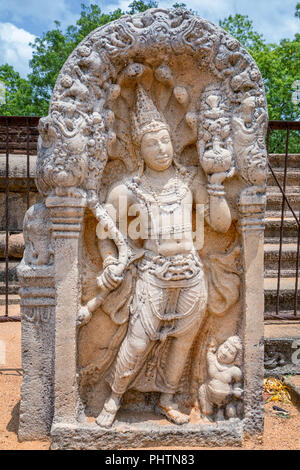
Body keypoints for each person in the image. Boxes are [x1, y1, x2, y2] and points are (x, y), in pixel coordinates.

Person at [95, 85, 232, 427]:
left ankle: (167, 398)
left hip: (191, 273)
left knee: (183, 342)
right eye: (151, 143)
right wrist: (110, 261)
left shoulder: (189, 181)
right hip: (153, 272)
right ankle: (113, 397)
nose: (161, 148)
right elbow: (105, 232)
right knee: (138, 339)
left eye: (165, 141)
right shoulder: (127, 189)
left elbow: (220, 223)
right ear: (139, 150)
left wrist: (215, 184)